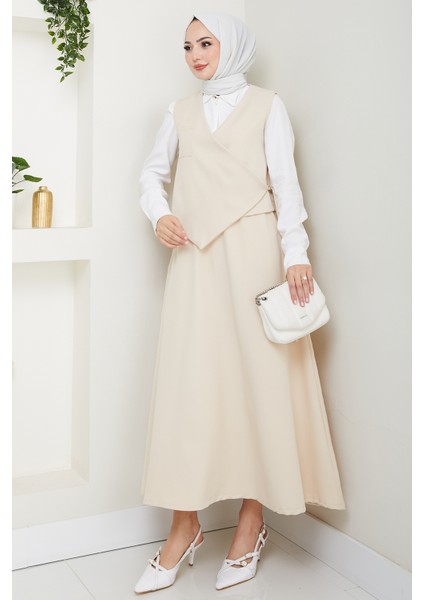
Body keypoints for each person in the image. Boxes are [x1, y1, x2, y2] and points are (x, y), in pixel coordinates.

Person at [134, 11, 345, 594]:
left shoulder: (267, 105)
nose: (196, 54)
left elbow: (287, 183)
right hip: (194, 256)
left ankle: (251, 522)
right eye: (187, 46)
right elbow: (151, 176)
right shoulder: (178, 111)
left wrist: (296, 253)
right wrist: (161, 214)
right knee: (189, 387)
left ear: (231, 46)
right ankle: (183, 527)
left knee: (259, 382)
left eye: (206, 42)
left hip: (255, 252)